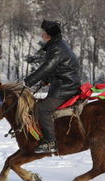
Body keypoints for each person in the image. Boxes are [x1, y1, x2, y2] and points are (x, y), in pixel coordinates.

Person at [24, 19, 81, 154]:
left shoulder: (56, 48)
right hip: (65, 84)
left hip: (65, 87)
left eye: (43, 33)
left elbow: (47, 67)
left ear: (49, 34)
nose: (41, 35)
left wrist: (27, 82)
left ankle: (50, 142)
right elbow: (58, 68)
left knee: (42, 109)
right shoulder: (58, 44)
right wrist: (47, 80)